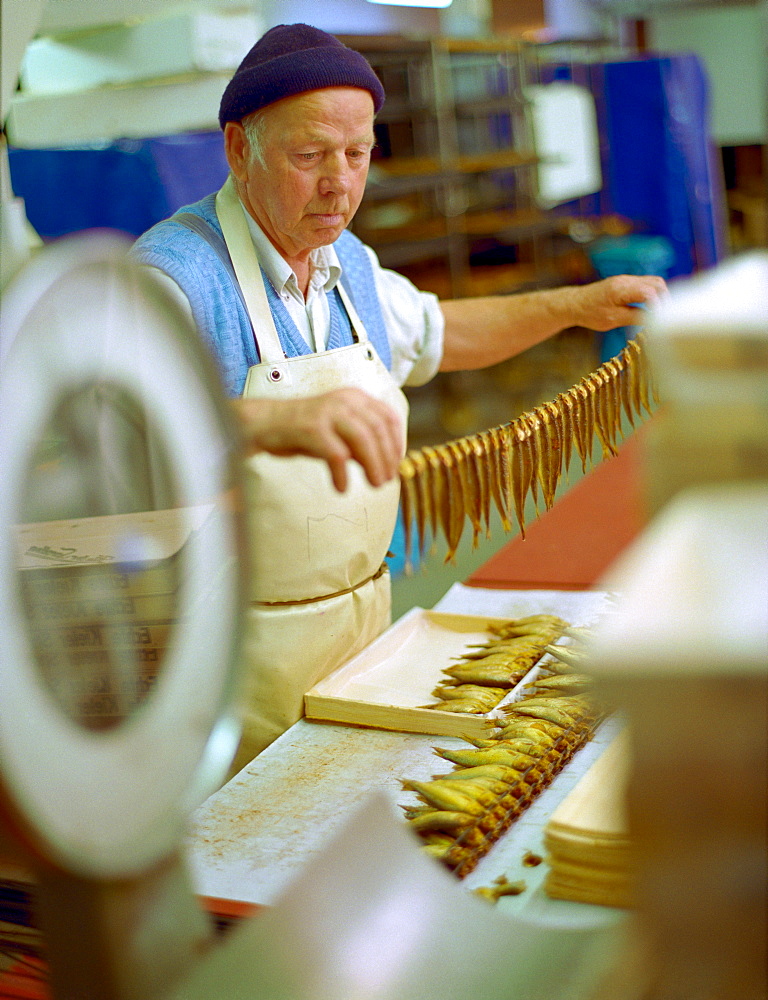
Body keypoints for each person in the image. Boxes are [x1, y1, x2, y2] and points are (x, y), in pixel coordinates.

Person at [132, 23, 666, 770]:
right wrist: (270, 420)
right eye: (310, 155)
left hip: (359, 630)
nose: (339, 184)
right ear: (237, 149)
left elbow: (439, 331)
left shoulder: (347, 263)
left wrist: (575, 305)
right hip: (225, 657)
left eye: (358, 155)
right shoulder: (172, 276)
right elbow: (129, 423)